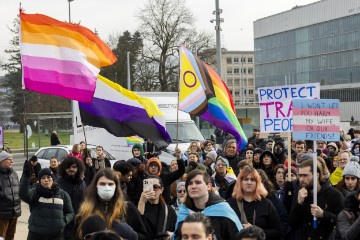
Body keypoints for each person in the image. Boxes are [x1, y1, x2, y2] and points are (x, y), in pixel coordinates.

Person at [75, 169, 149, 240]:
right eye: (102, 184)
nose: (106, 187)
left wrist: (132, 235)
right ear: (96, 186)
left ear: (116, 187)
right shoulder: (85, 209)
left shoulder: (127, 208)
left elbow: (145, 237)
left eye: (110, 184)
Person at [173, 170, 242, 240]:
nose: (193, 186)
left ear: (208, 186)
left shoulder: (223, 210)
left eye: (198, 182)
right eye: (190, 183)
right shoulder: (184, 212)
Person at [289, 159, 344, 239]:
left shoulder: (334, 195)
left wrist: (323, 214)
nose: (301, 179)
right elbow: (293, 225)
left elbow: (342, 222)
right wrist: (299, 203)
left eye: (305, 175)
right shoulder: (300, 194)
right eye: (300, 175)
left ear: (317, 175)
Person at [227, 166, 282, 240]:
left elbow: (278, 232)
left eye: (252, 180)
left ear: (257, 183)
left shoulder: (266, 204)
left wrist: (256, 230)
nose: (249, 182)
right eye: (245, 179)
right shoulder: (230, 204)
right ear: (240, 182)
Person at [20, 166, 74, 240]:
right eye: (43, 178)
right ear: (39, 181)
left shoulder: (63, 194)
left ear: (53, 179)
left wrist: (64, 221)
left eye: (49, 177)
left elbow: (70, 212)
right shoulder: (35, 192)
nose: (46, 180)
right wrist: (26, 177)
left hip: (57, 236)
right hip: (36, 235)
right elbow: (23, 195)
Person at [56, 156, 87, 239]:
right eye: (68, 167)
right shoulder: (58, 184)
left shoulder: (82, 183)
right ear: (64, 168)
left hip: (79, 223)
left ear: (78, 168)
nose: (71, 169)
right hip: (64, 224)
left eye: (74, 167)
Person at [0, 152, 21, 240]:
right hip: (2, 214)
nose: (12, 161)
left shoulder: (14, 174)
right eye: (9, 159)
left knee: (11, 236)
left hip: (14, 212)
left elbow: (18, 188)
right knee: (1, 237)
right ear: (1, 161)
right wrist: (3, 196)